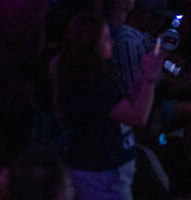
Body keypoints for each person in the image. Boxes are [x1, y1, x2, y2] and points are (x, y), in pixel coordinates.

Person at [54, 12, 162, 200]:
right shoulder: (91, 83)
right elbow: (138, 116)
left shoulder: (98, 74)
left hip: (108, 172)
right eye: (105, 38)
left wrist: (142, 75)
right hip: (100, 176)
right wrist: (150, 78)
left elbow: (125, 103)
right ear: (90, 45)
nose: (111, 41)